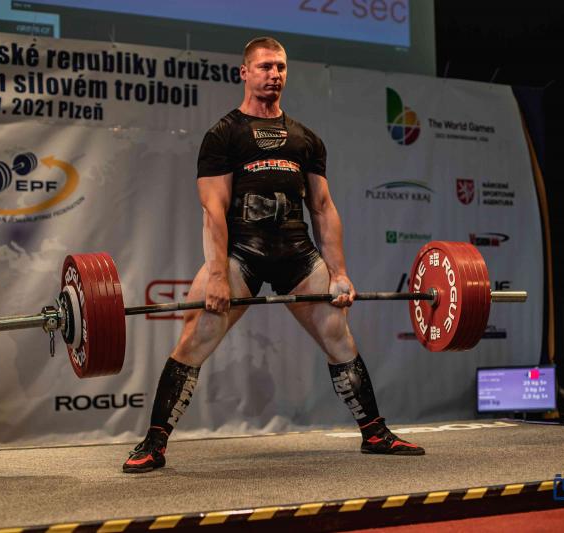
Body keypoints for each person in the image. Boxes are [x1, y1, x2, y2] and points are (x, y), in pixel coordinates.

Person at [123, 37, 424, 473]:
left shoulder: (306, 139)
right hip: (242, 253)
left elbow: (323, 207)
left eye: (280, 67)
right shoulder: (224, 134)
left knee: (338, 335)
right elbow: (213, 211)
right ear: (244, 72)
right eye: (265, 66)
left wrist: (339, 273)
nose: (274, 74)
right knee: (196, 336)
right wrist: (218, 276)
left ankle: (375, 433)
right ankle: (154, 443)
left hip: (296, 253)